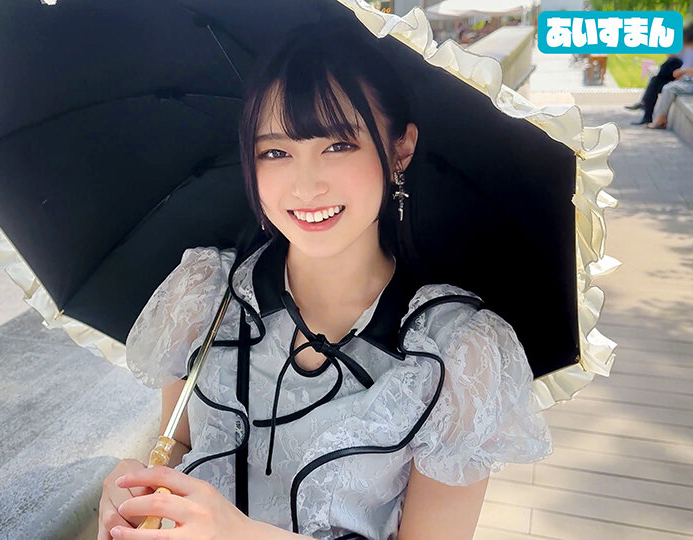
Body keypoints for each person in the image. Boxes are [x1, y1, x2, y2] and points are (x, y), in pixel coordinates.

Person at [98, 21, 553, 540]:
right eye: (275, 152)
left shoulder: (455, 355)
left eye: (338, 145)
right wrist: (134, 489)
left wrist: (240, 534)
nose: (306, 185)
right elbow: (178, 445)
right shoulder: (206, 295)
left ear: (400, 149)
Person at [645, 23, 693, 130]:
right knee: (658, 81)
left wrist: (683, 71)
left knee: (668, 88)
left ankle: (660, 119)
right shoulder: (688, 50)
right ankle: (647, 108)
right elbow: (671, 54)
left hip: (690, 82)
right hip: (686, 80)